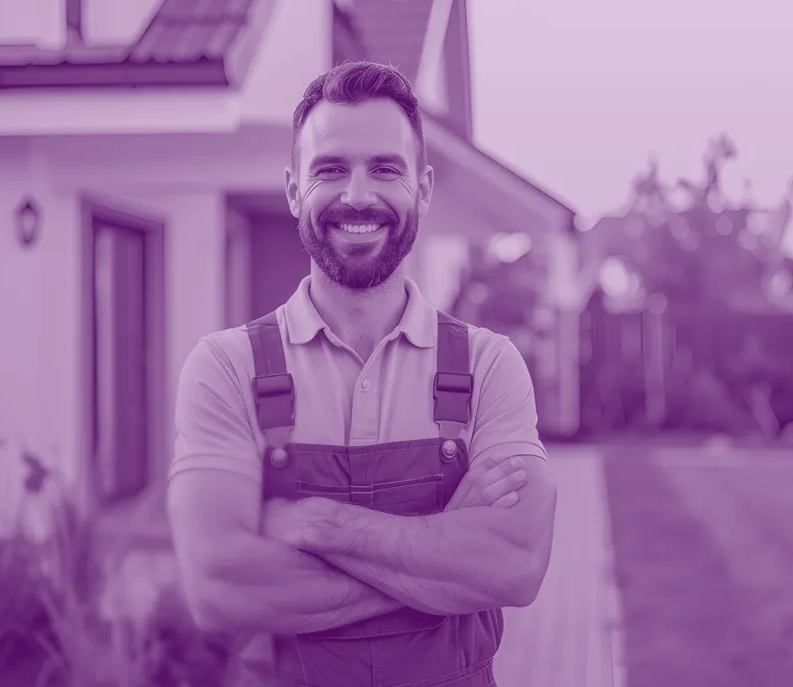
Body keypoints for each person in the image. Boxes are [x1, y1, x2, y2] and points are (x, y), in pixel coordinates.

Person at [167, 60, 557, 687]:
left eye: (385, 168)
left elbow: (515, 565)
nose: (356, 195)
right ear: (294, 190)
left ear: (423, 189)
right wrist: (442, 563)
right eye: (330, 169)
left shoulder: (488, 367)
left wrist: (317, 526)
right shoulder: (226, 368)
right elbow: (219, 585)